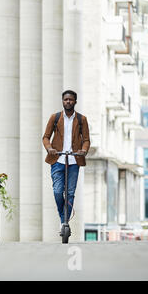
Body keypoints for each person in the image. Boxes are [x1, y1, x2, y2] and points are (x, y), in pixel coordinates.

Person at [42, 89, 90, 234]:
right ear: (62, 101)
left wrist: (83, 150)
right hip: (57, 159)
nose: (68, 102)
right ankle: (63, 218)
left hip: (74, 160)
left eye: (70, 99)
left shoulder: (82, 119)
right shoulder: (55, 118)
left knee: (70, 193)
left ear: (75, 101)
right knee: (57, 192)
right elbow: (45, 137)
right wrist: (49, 148)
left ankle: (64, 223)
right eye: (65, 100)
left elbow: (86, 140)